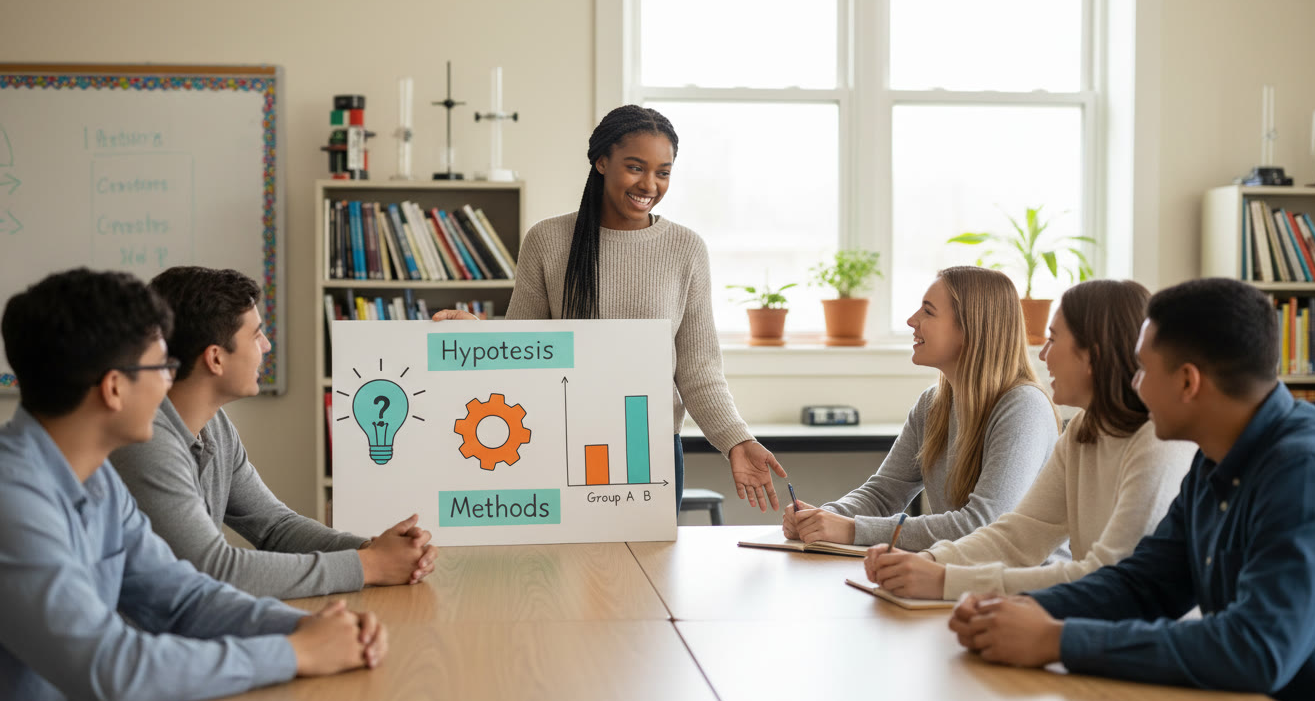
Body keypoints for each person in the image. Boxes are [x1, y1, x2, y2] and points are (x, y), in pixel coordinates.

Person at [0, 269, 388, 701]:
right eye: (160, 367)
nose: (170, 383)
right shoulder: (12, 501)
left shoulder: (96, 476)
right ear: (114, 388)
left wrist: (310, 627)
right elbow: (110, 669)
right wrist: (293, 654)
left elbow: (182, 596)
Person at [948, 278, 1315, 701]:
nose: (1134, 384)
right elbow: (1144, 585)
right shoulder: (1212, 460)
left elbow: (1254, 648)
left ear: (1187, 381)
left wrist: (1058, 640)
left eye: (1141, 369)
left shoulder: (1307, 471)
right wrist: (1009, 607)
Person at [442, 104, 785, 513]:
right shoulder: (548, 240)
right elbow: (524, 353)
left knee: (647, 572)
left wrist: (737, 439)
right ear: (602, 161)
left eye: (663, 171)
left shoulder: (686, 249)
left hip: (649, 447)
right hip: (560, 440)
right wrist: (477, 334)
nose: (650, 184)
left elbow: (698, 369)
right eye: (636, 167)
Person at [109, 267, 436, 600]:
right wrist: (370, 566)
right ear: (216, 359)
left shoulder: (215, 425)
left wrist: (373, 549)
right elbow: (212, 569)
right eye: (256, 335)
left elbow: (276, 527)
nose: (265, 346)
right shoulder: (145, 442)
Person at [863, 279, 1196, 599]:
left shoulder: (1159, 442)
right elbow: (1017, 537)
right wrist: (931, 561)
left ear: (1091, 356)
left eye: (1053, 340)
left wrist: (946, 579)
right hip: (1092, 623)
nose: (1042, 355)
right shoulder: (1083, 429)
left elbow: (1110, 575)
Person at [784, 265, 1060, 549]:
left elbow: (982, 525)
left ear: (970, 327)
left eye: (928, 311)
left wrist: (853, 530)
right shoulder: (933, 404)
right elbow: (883, 494)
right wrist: (821, 518)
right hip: (962, 579)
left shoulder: (1023, 407)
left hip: (1025, 588)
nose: (911, 320)